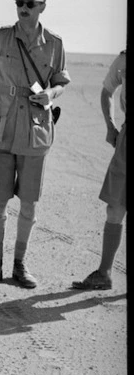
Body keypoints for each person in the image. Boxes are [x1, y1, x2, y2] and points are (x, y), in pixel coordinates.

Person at [0, 0, 70, 289]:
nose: (23, 9)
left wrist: (51, 94)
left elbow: (61, 81)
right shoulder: (1, 38)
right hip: (1, 124)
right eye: (19, 4)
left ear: (42, 7)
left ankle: (20, 266)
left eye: (30, 4)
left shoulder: (54, 43)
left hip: (35, 129)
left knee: (29, 203)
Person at [72, 50, 126, 290]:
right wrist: (111, 126)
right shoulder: (124, 59)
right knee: (115, 205)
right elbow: (107, 91)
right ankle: (104, 273)